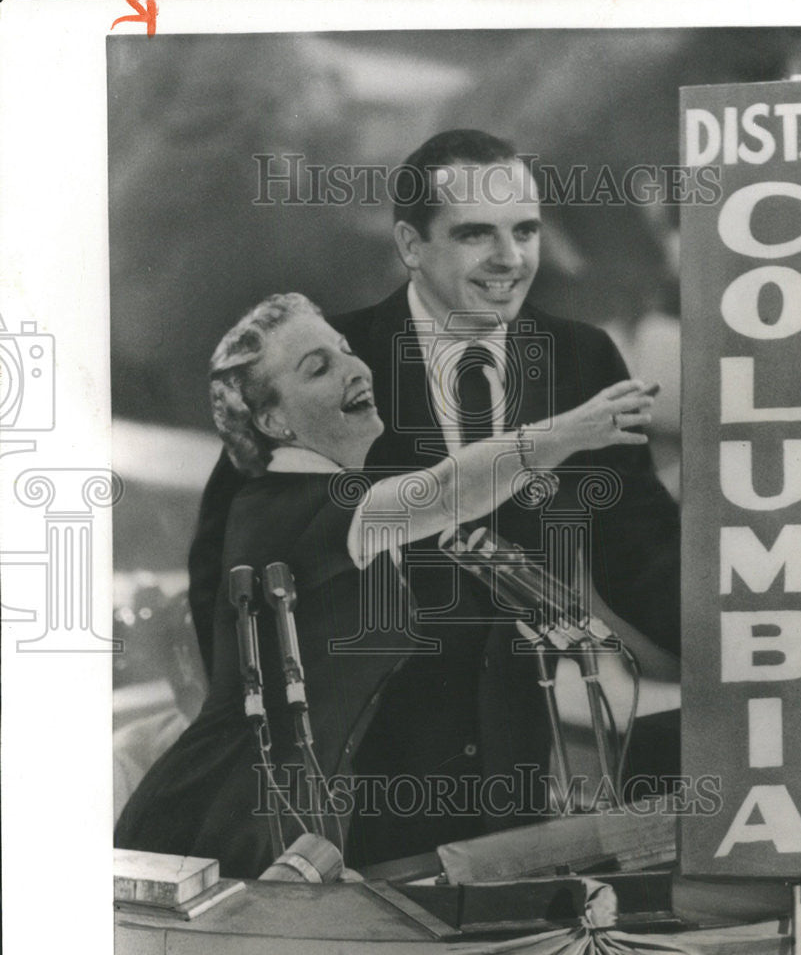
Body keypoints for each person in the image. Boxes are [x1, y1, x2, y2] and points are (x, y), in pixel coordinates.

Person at [189, 130, 681, 867]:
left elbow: (643, 553)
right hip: (342, 789)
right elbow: (223, 579)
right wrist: (265, 757)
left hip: (510, 776)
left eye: (525, 230)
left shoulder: (581, 361)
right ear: (411, 245)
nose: (509, 259)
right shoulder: (322, 367)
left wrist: (756, 655)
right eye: (475, 234)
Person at [114, 291, 655, 880]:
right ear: (273, 421)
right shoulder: (288, 506)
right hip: (223, 819)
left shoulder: (332, 506)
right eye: (318, 368)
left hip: (298, 823)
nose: (354, 368)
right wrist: (571, 431)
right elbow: (447, 491)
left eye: (345, 351)